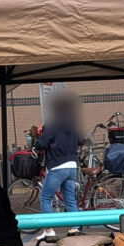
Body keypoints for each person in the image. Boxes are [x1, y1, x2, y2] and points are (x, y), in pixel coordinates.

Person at [36, 92, 83, 222]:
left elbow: (41, 144)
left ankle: (49, 230)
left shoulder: (51, 125)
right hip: (72, 166)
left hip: (58, 166)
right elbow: (80, 140)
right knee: (70, 199)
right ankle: (75, 228)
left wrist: (38, 137)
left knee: (45, 197)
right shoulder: (71, 125)